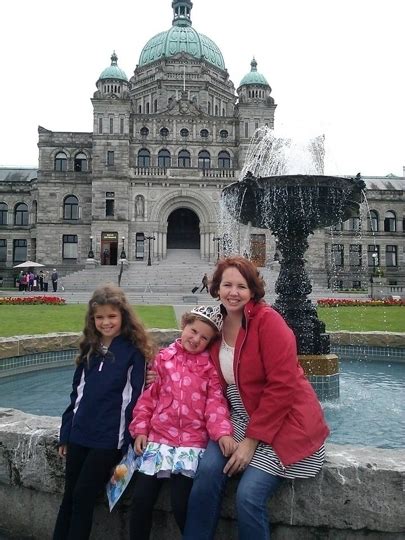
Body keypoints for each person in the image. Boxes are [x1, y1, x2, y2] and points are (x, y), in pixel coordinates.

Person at [183, 256, 330, 540]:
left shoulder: (268, 321)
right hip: (238, 417)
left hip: (285, 420)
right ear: (216, 288)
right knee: (207, 474)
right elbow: (185, 355)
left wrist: (251, 442)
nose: (233, 292)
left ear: (253, 291)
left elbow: (284, 385)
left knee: (248, 496)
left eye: (241, 286)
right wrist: (154, 374)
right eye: (227, 285)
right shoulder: (214, 324)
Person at [52, 284, 155, 540]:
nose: (105, 322)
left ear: (123, 317)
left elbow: (135, 400)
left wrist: (125, 446)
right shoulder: (90, 348)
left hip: (108, 440)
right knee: (69, 497)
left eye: (111, 316)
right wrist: (66, 432)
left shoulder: (134, 353)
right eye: (99, 317)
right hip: (79, 434)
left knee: (83, 496)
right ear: (92, 319)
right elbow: (77, 395)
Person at [128, 305, 237, 540]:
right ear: (183, 325)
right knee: (140, 500)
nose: (196, 339)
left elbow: (216, 406)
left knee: (181, 504)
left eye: (204, 337)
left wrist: (223, 433)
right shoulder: (162, 360)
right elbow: (148, 399)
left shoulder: (210, 369)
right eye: (193, 331)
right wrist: (140, 430)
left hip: (191, 444)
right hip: (158, 440)